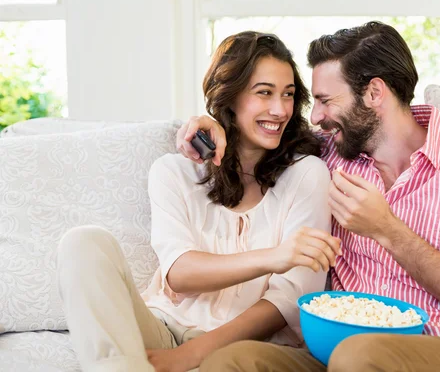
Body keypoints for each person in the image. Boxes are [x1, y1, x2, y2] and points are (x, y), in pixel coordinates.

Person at [177, 22, 440, 372]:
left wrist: (386, 229)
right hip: (335, 350)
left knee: (360, 355)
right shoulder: (328, 153)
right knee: (232, 362)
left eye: (325, 101)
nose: (315, 117)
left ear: (374, 93)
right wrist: (212, 123)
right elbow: (262, 131)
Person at [57, 31, 342, 372]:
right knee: (84, 242)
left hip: (242, 352)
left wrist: (191, 355)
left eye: (288, 95)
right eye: (264, 93)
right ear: (230, 95)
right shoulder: (174, 171)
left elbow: (287, 301)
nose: (280, 110)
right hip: (161, 329)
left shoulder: (306, 174)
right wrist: (274, 257)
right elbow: (179, 273)